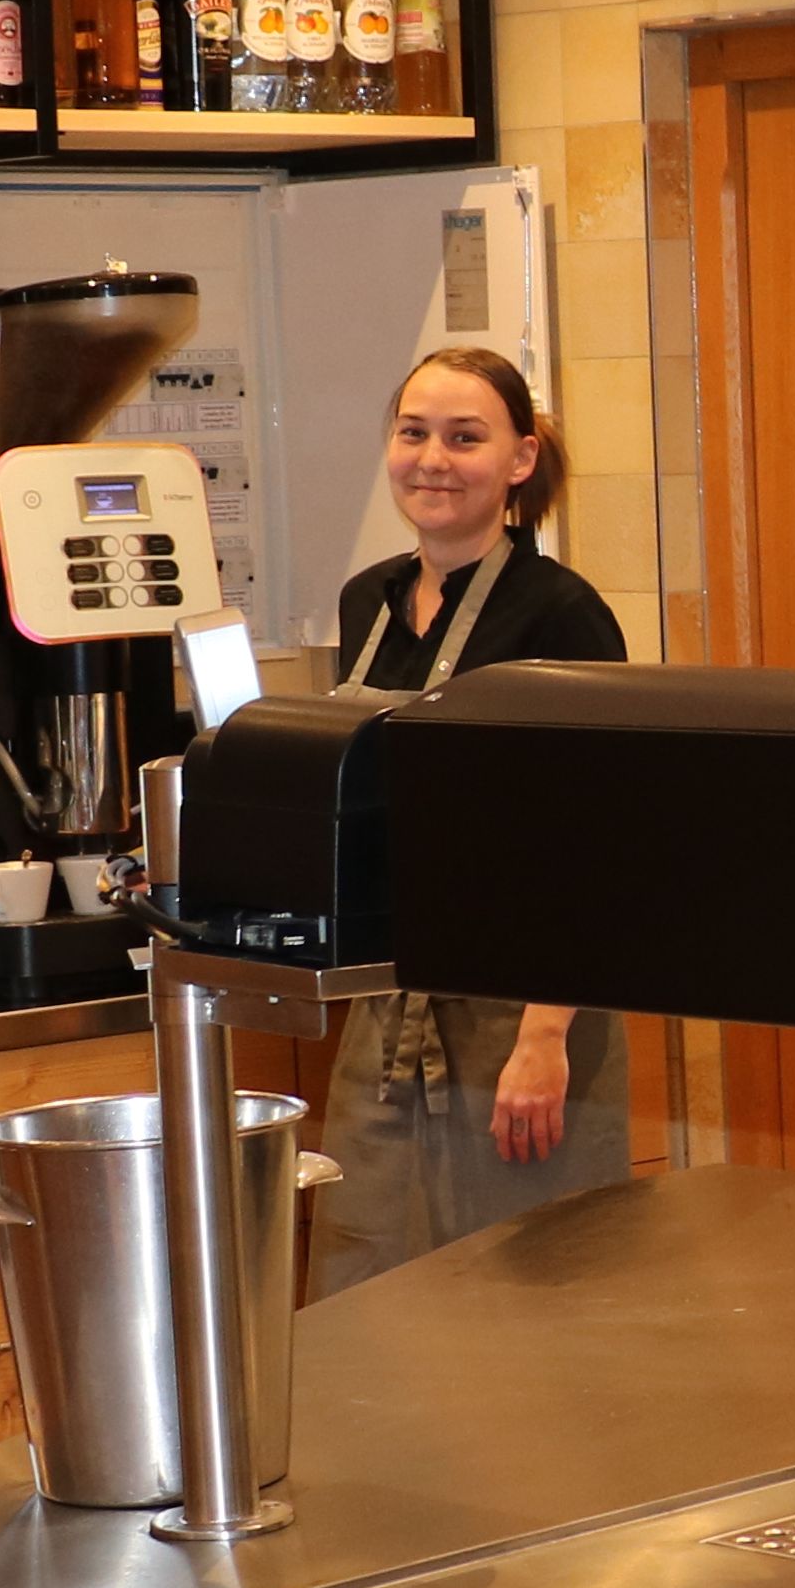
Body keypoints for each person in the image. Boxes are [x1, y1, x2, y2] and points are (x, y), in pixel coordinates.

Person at [309, 346, 635, 1295]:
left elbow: (602, 840)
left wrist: (544, 1038)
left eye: (464, 438)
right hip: (389, 1005)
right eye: (414, 433)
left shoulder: (561, 615)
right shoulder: (367, 601)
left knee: (525, 1292)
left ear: (519, 459)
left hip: (524, 1007)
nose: (432, 460)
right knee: (368, 1283)